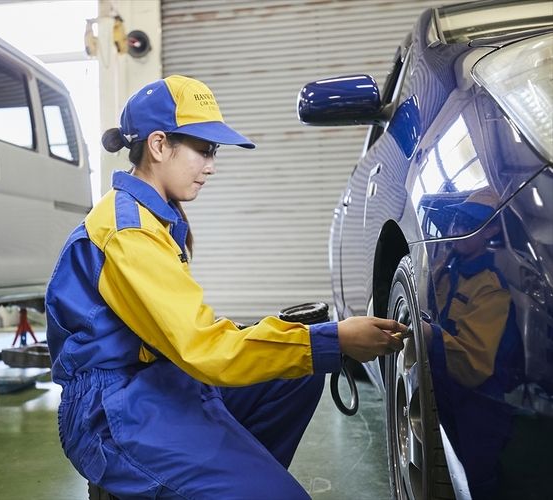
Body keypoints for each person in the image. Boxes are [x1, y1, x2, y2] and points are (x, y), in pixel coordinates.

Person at [45, 74, 406, 499]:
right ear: (159, 145)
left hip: (157, 381)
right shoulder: (130, 231)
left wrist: (311, 342)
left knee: (296, 375)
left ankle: (228, 476)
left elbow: (186, 331)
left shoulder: (155, 216)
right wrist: (333, 340)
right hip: (113, 411)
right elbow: (203, 349)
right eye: (203, 149)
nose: (211, 165)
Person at [422, 188, 524, 499]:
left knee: (479, 472)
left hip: (482, 398)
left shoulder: (491, 288)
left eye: (469, 224)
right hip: (451, 388)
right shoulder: (448, 270)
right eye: (456, 221)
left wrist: (429, 335)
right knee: (455, 456)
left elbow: (473, 365)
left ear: (492, 229)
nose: (456, 229)